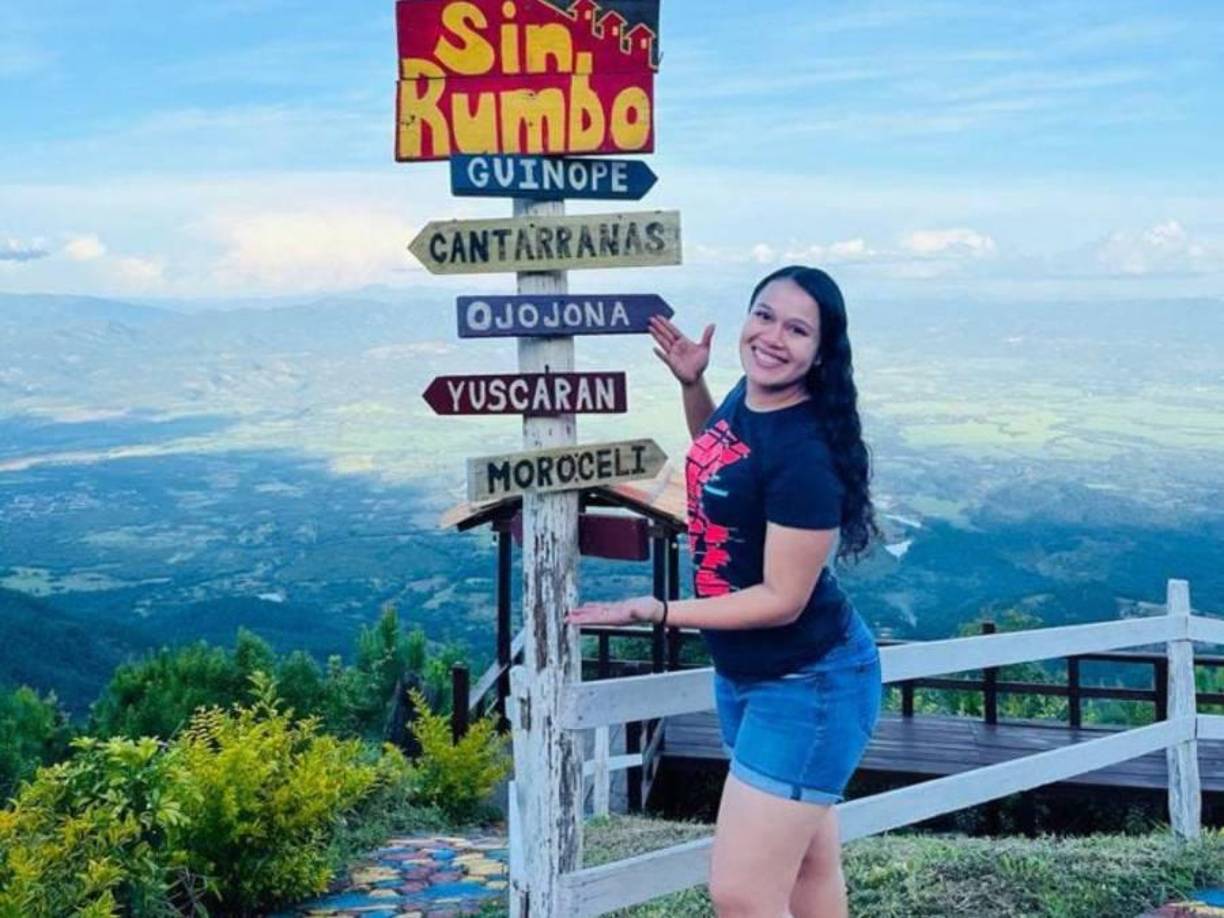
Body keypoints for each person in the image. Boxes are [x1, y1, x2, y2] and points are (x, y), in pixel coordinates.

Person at [566, 265, 883, 918]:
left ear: (821, 353)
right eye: (764, 315)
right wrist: (694, 386)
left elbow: (781, 598)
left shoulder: (805, 456)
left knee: (740, 893)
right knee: (808, 870)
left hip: (809, 685)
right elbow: (721, 459)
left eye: (797, 329)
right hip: (751, 675)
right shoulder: (750, 396)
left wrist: (656, 611)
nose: (772, 336)